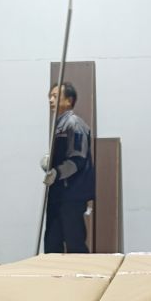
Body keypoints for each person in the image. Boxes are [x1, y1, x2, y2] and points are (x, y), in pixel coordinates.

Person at [41, 82, 95, 253]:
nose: (50, 100)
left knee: (74, 242)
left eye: (55, 96)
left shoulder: (74, 124)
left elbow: (78, 158)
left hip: (72, 194)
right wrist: (48, 161)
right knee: (52, 244)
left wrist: (57, 173)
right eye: (50, 96)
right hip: (57, 193)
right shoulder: (58, 126)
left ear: (69, 100)